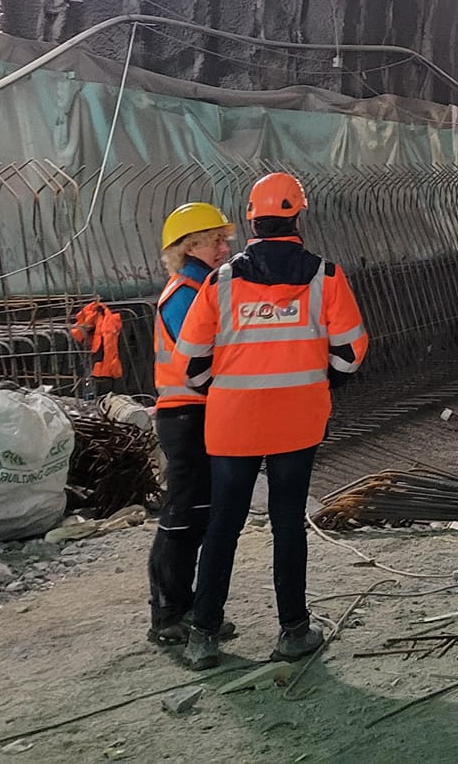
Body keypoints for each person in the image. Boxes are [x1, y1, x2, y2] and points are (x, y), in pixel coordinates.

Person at [173, 171, 368, 669]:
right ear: (297, 215)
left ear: (252, 219)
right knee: (288, 524)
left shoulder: (220, 280)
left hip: (232, 423)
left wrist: (223, 390)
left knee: (223, 524)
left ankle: (203, 636)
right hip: (297, 421)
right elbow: (350, 354)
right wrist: (318, 384)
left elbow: (191, 363)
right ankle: (294, 631)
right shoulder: (326, 276)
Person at [147, 201, 235, 647]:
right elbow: (200, 354)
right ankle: (167, 615)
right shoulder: (186, 293)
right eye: (216, 240)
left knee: (199, 514)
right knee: (183, 516)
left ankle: (192, 609)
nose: (224, 247)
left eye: (223, 240)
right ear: (190, 246)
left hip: (198, 412)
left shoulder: (204, 288)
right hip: (185, 415)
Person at [70, 298, 126, 397]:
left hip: (102, 361)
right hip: (101, 360)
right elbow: (78, 333)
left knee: (97, 385)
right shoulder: (104, 319)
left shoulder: (107, 321)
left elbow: (78, 332)